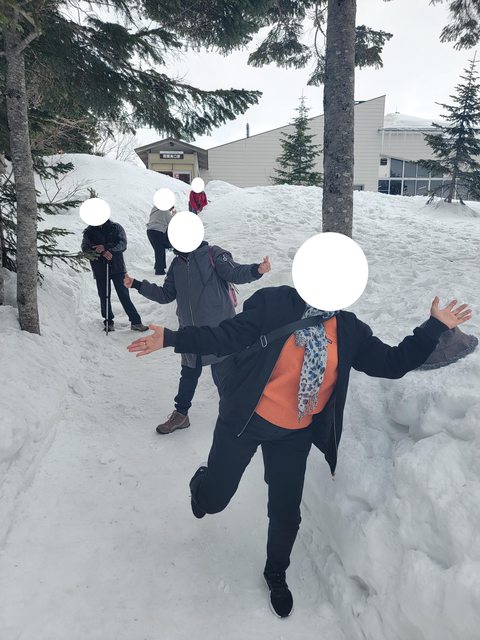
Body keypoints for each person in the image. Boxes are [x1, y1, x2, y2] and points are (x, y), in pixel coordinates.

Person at [127, 286, 472, 618]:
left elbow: (391, 363)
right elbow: (224, 337)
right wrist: (172, 338)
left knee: (286, 512)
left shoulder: (349, 329)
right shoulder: (276, 304)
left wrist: (434, 327)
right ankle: (201, 485)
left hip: (293, 434)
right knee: (213, 501)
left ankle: (276, 572)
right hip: (244, 420)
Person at [124, 242, 271, 433]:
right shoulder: (176, 264)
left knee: (225, 378)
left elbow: (234, 272)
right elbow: (166, 294)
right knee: (188, 374)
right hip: (190, 331)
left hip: (219, 331)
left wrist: (256, 270)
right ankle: (181, 415)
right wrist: (137, 285)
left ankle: (237, 417)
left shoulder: (213, 254)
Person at [81, 218, 148, 333]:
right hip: (99, 268)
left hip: (117, 267)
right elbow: (85, 249)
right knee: (104, 296)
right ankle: (108, 322)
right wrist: (99, 251)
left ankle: (136, 322)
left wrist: (107, 248)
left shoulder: (116, 227)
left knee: (124, 295)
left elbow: (123, 244)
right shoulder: (88, 232)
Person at [146, 205, 175, 275]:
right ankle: (159, 270)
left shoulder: (155, 208)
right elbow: (171, 222)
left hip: (149, 231)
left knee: (159, 250)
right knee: (160, 251)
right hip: (157, 231)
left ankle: (159, 266)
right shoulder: (165, 211)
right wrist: (173, 214)